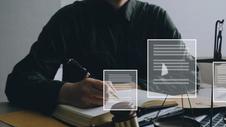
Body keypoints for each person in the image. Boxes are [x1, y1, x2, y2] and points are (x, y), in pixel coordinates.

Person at [5, 0, 181, 114]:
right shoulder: (69, 18)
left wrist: (135, 85)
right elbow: (17, 84)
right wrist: (67, 92)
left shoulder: (157, 19)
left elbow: (186, 78)